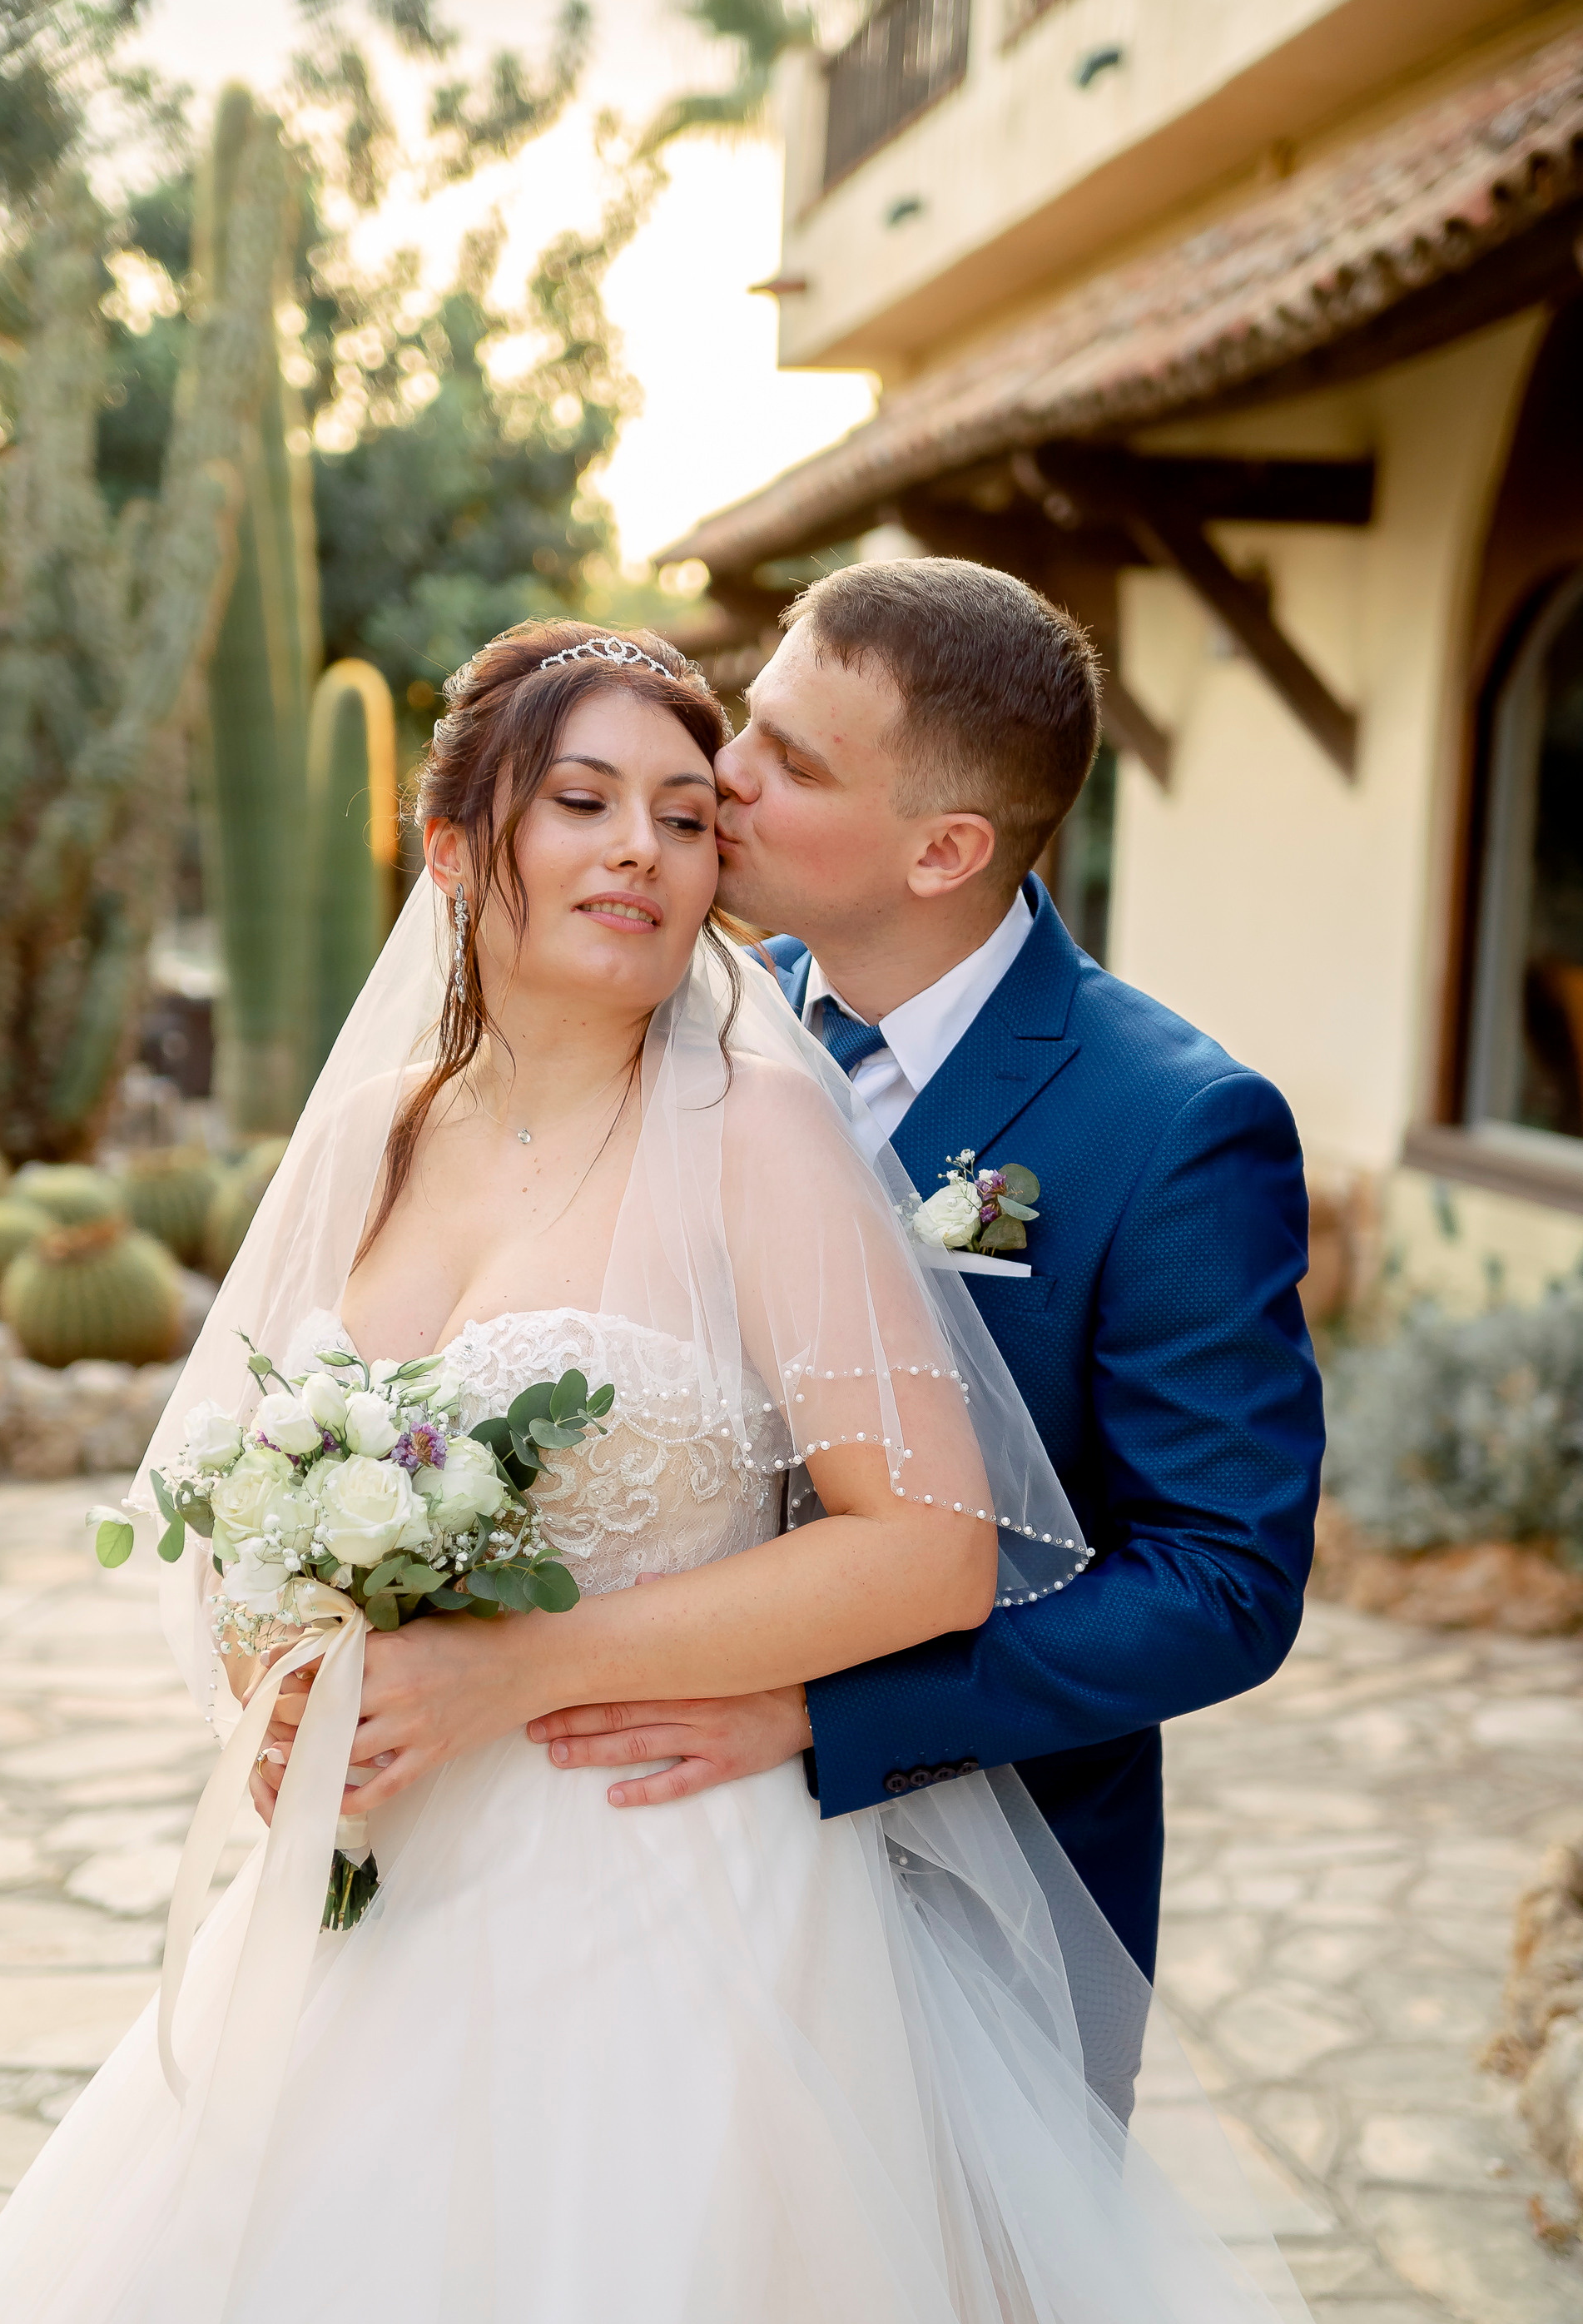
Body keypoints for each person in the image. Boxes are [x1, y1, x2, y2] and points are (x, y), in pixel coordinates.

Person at [0, 622, 1532, 2324]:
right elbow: (251, 1473)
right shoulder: (399, 1121)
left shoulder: (838, 1106)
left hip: (705, 1878)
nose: (687, 829)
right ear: (458, 842)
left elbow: (1049, 1556)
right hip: (391, 1894)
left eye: (721, 783)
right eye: (600, 799)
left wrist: (588, 1681)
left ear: (941, 845)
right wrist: (296, 1657)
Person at [528, 558, 1324, 1996]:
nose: (727, 772)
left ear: (945, 851)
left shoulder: (1172, 1126)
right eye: (747, 721)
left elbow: (1222, 1581)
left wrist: (829, 1708)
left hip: (978, 1892)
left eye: (790, 760)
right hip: (623, 1862)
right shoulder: (684, 1017)